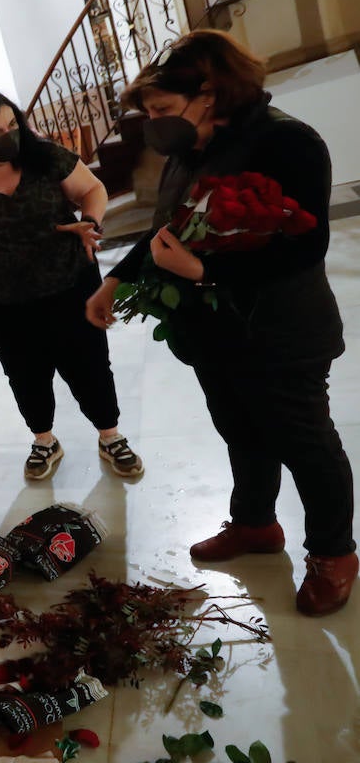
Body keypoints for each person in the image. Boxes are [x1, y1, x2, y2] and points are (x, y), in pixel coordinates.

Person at [85, 30, 355, 616]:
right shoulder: (192, 147)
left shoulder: (289, 143)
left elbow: (304, 250)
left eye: (161, 109)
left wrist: (204, 272)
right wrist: (115, 279)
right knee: (241, 429)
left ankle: (334, 555)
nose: (154, 122)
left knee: (305, 442)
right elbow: (170, 229)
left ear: (208, 92)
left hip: (282, 329)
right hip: (216, 332)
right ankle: (256, 523)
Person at [0, 90, 143, 481]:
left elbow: (92, 190)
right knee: (25, 373)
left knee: (89, 364)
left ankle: (109, 435)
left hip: (70, 283)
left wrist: (92, 222)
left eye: (12, 124)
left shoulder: (45, 159)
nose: (8, 135)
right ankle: (44, 440)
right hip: (1, 299)